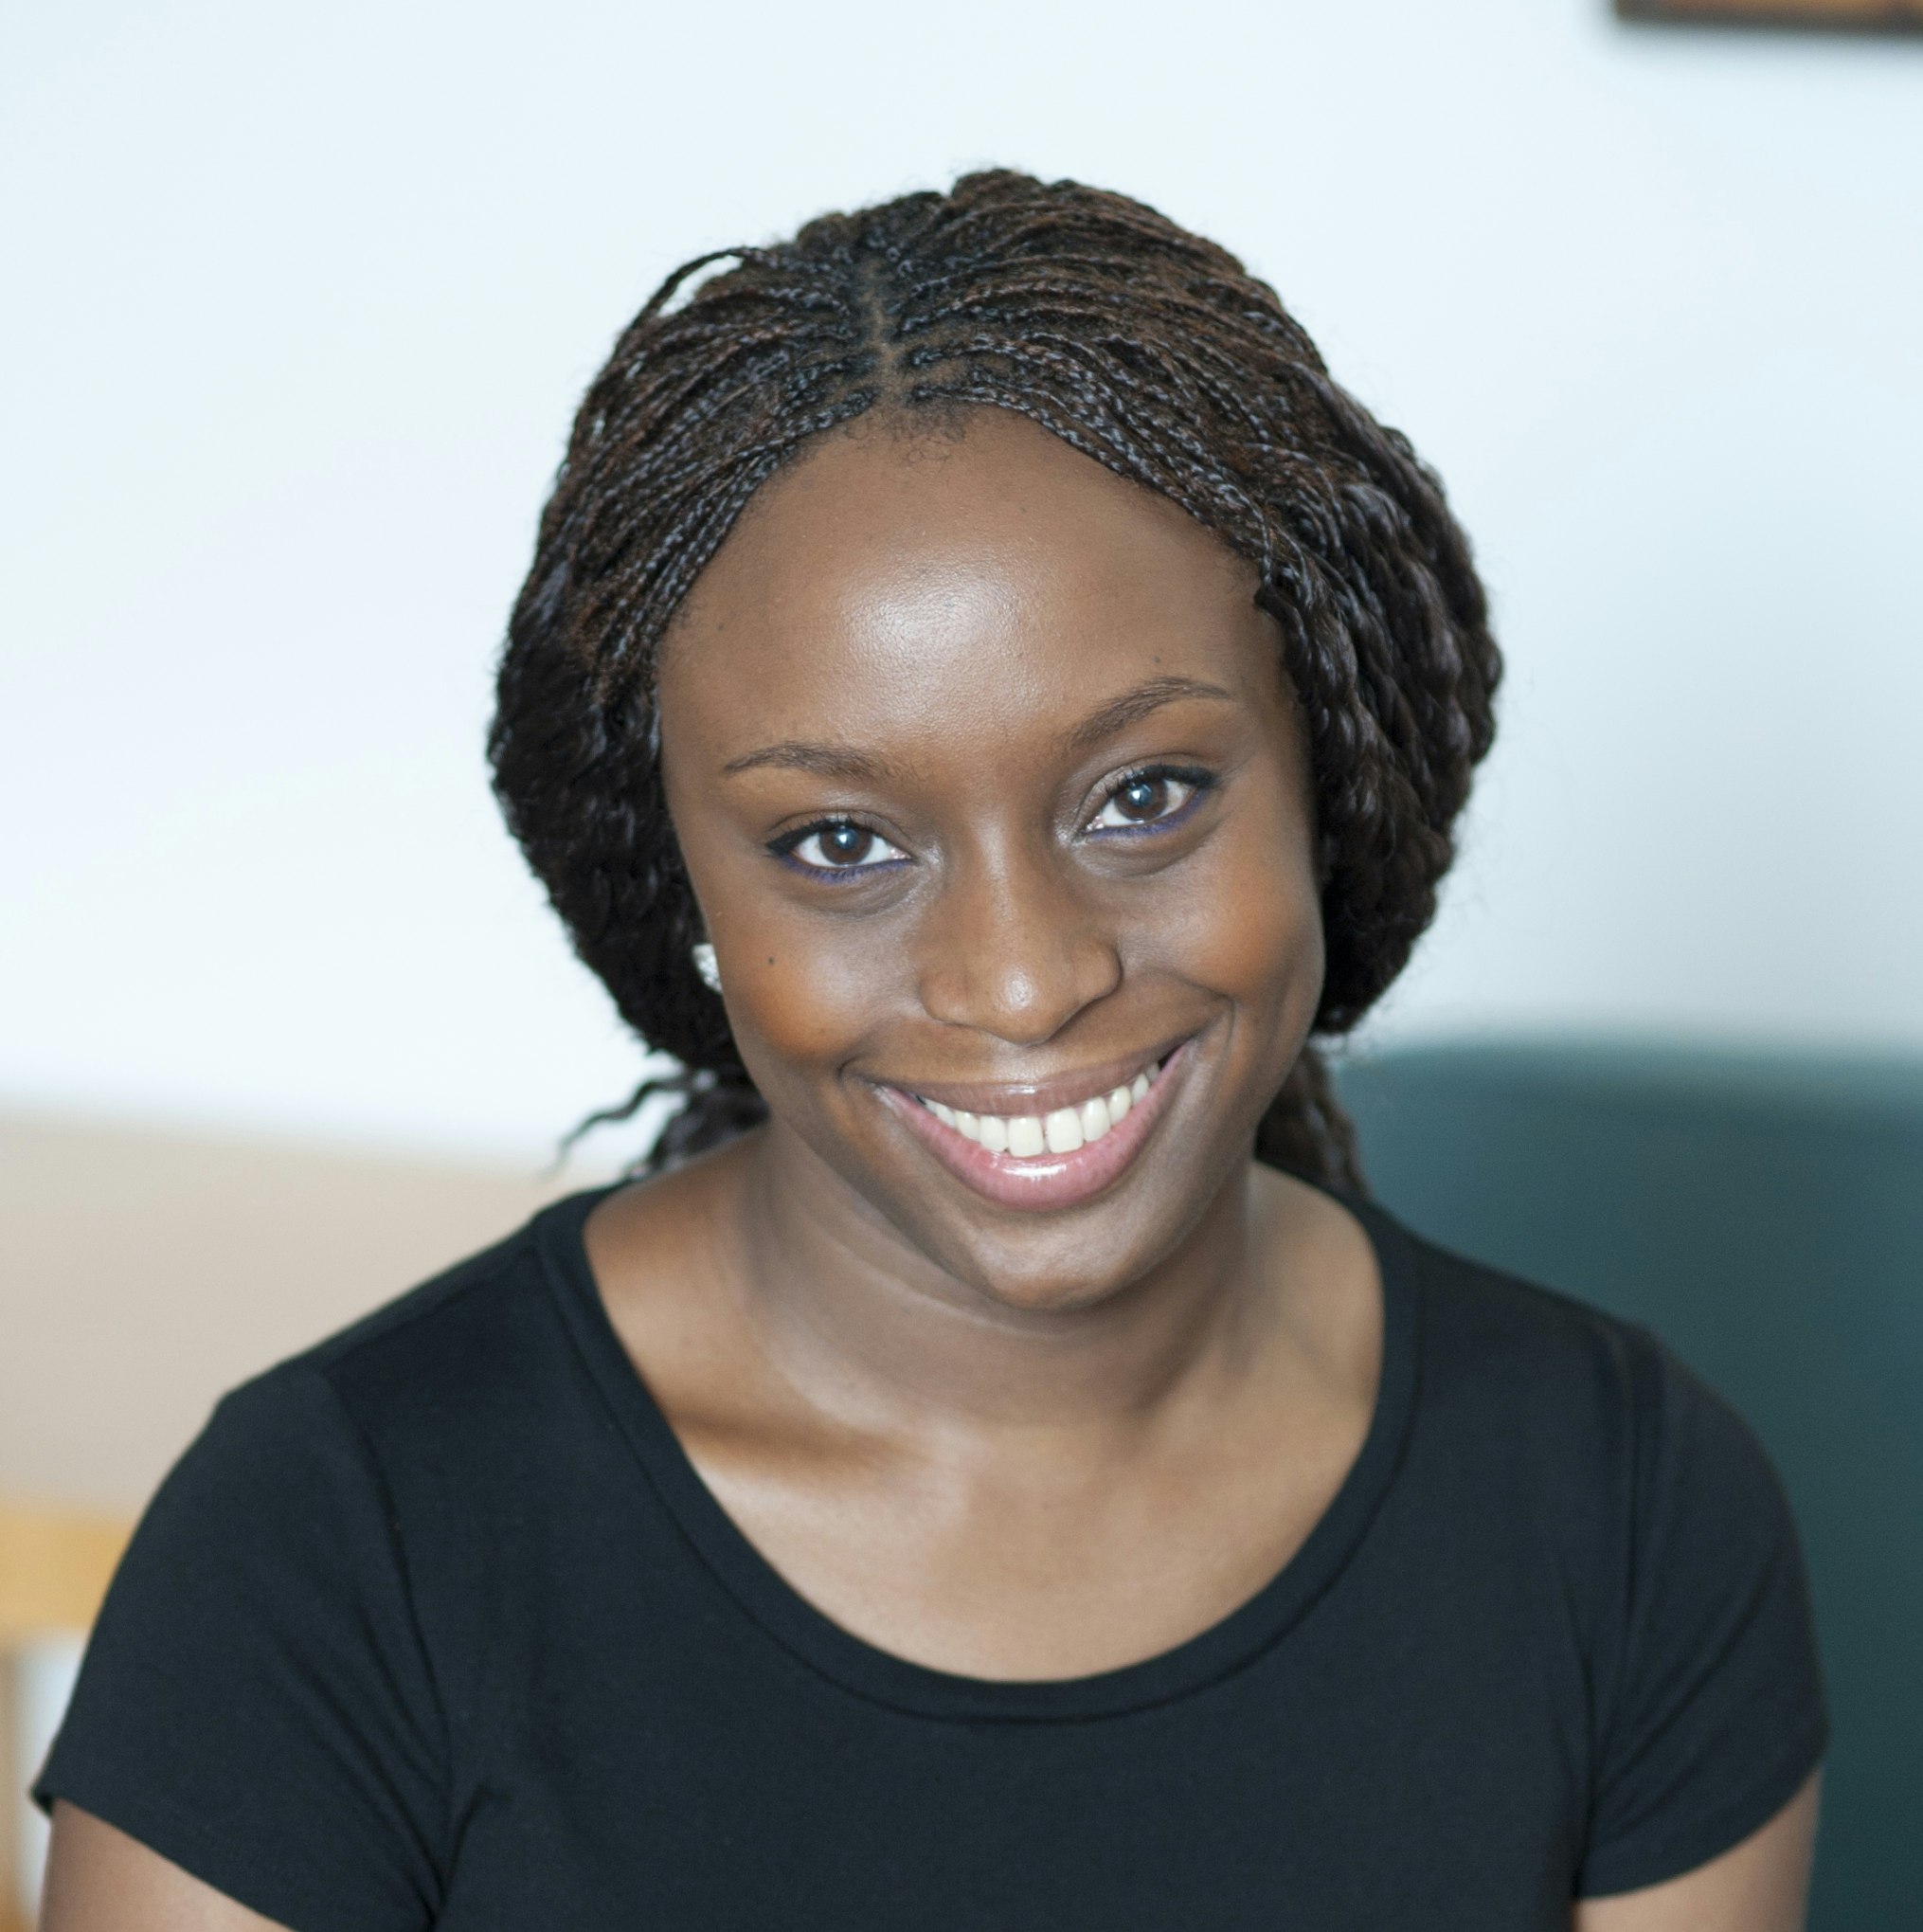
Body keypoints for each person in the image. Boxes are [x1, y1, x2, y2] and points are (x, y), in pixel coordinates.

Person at [34, 172, 1824, 1931]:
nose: (1023, 979)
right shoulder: (339, 1549)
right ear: (683, 891)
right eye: (838, 843)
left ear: (1329, 787)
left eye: (1144, 797)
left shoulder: (1625, 1511)